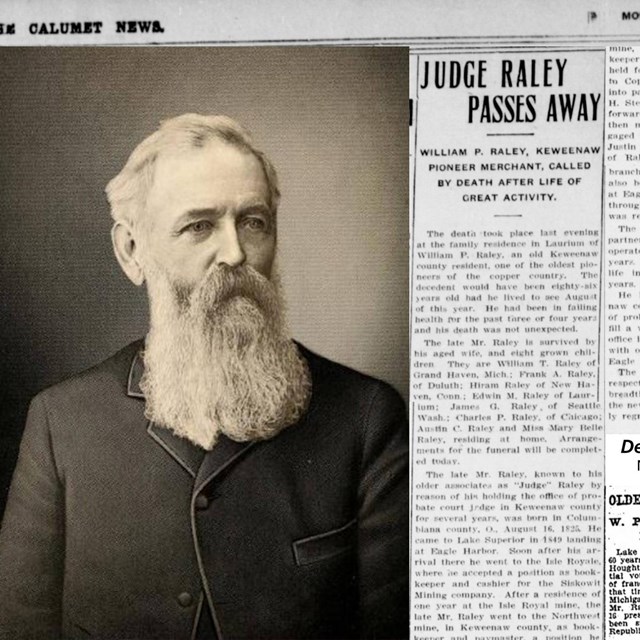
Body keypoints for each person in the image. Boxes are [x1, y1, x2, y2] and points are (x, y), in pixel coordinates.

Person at [0, 114, 409, 640]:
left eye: (253, 222)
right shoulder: (61, 424)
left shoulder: (367, 419)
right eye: (199, 227)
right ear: (131, 251)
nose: (236, 253)